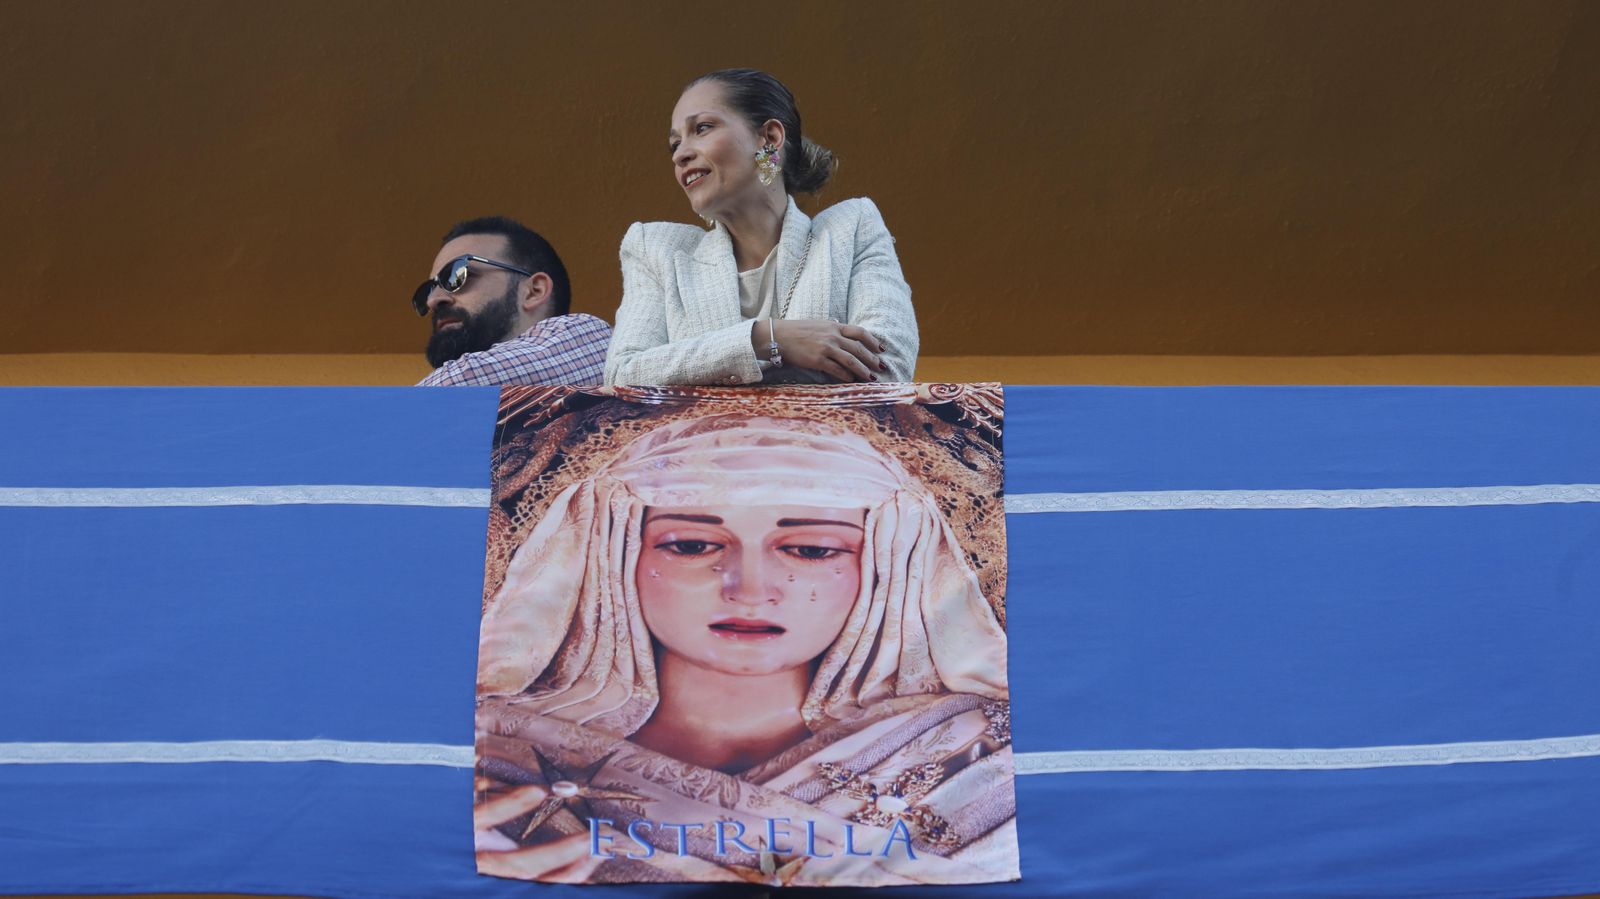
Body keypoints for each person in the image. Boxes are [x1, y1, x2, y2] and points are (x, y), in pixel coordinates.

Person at [473, 414, 1015, 887]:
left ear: (886, 565)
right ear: (611, 556)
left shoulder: (982, 753)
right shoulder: (490, 753)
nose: (750, 589)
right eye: (691, 545)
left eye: (811, 550)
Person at [605, 69, 919, 387]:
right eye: (675, 144)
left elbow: (887, 370)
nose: (681, 155)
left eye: (701, 128)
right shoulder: (656, 249)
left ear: (769, 138)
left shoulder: (851, 229)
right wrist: (766, 339)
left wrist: (693, 371)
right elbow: (622, 376)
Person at [414, 216, 612, 386]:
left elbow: (458, 381)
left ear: (534, 291)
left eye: (456, 275)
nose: (433, 300)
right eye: (429, 289)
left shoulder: (590, 339)